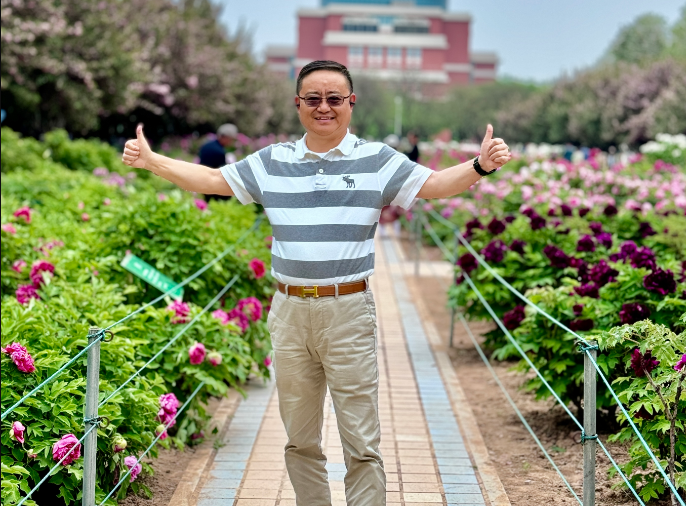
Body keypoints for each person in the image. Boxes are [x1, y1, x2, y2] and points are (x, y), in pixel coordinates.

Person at [121, 60, 511, 506]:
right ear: (298, 104)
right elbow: (212, 179)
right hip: (289, 313)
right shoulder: (273, 162)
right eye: (313, 98)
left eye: (334, 98)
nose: (324, 107)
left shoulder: (376, 160)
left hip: (348, 312)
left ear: (351, 103)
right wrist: (151, 161)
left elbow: (436, 184)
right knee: (300, 439)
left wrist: (480, 165)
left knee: (361, 442)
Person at [199, 123, 238, 201]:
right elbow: (221, 172)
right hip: (214, 187)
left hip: (203, 183)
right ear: (226, 137)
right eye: (231, 139)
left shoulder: (206, 146)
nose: (231, 142)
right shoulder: (219, 152)